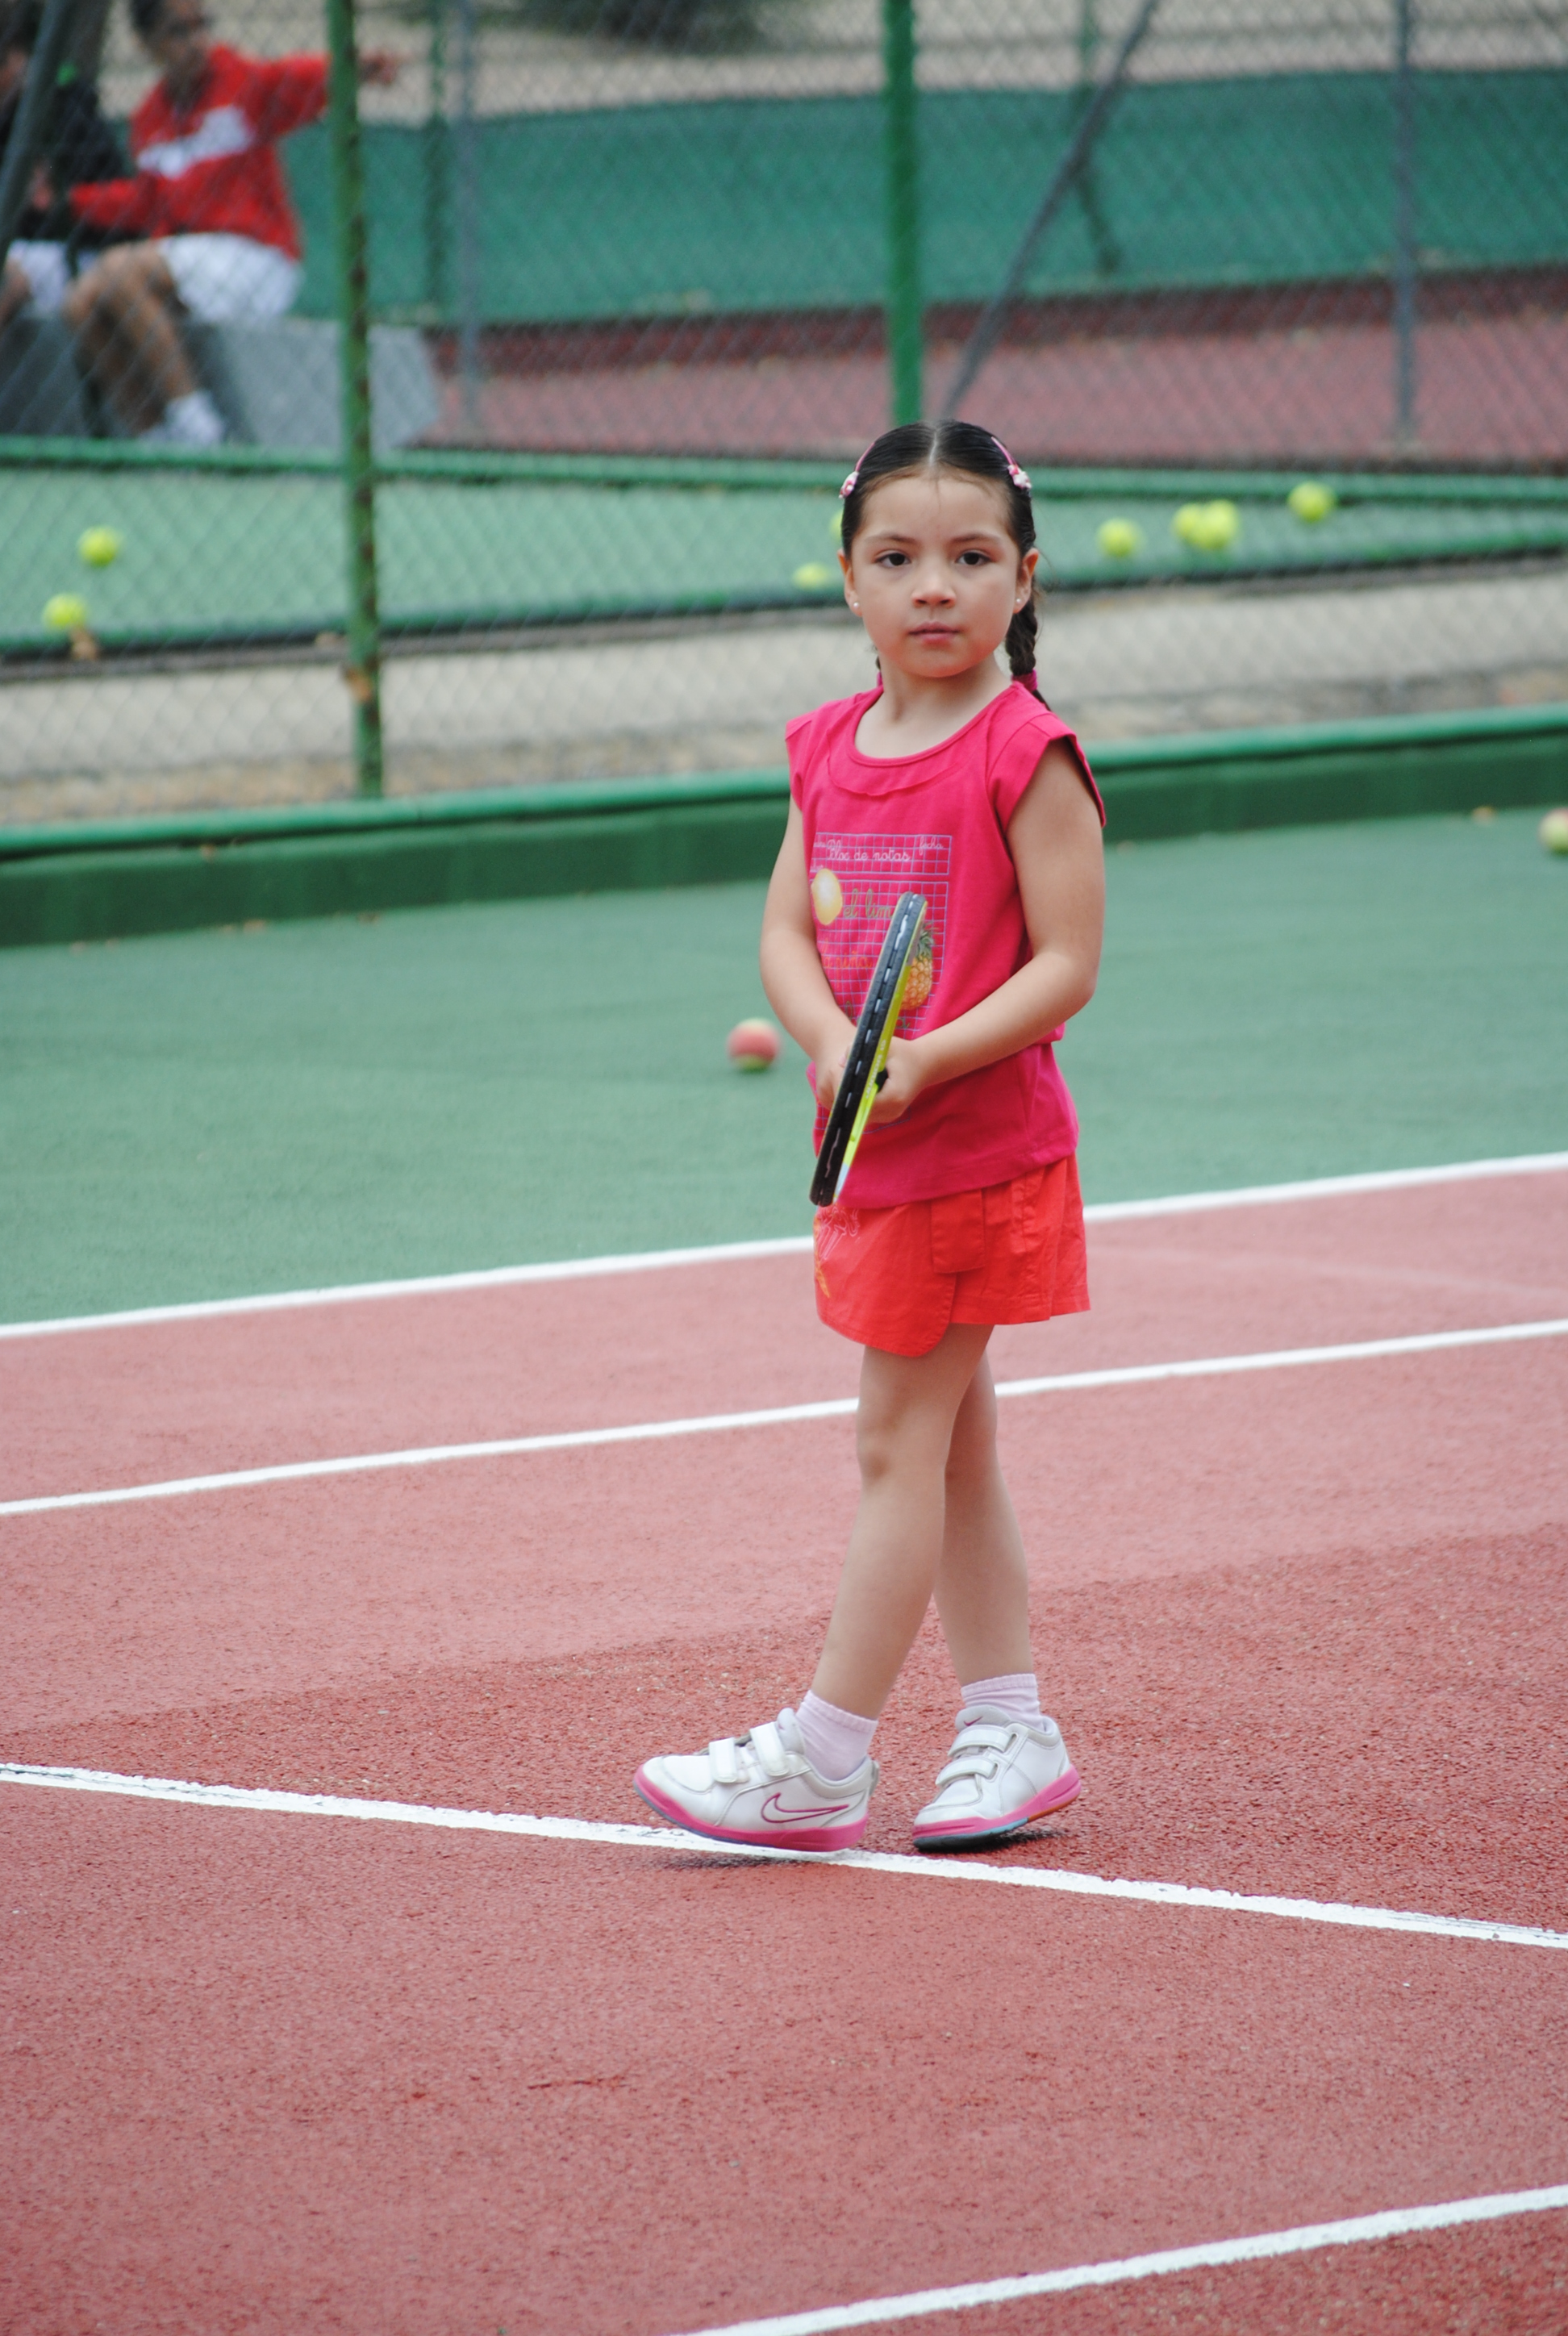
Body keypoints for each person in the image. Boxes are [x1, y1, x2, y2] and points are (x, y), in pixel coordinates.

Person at [635, 420, 1107, 1855]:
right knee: (950, 1449)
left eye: (970, 557)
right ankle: (1011, 1730)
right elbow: (786, 933)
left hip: (977, 1159)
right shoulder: (827, 748)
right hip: (879, 1154)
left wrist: (928, 1058)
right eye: (895, 558)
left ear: (1023, 578)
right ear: (848, 579)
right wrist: (835, 1043)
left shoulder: (1025, 752)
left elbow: (1066, 964)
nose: (933, 586)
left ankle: (823, 1758)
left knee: (895, 1440)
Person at [57, 0, 399, 443]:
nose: (197, 42)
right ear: (146, 45)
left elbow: (295, 78)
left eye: (202, 26)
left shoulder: (241, 82)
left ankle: (200, 430)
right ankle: (156, 441)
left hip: (255, 259)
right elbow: (146, 202)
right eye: (178, 32)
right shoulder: (150, 119)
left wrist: (357, 66)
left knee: (119, 272)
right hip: (185, 262)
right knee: (80, 302)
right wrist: (68, 202)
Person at [0, 0, 127, 336]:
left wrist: (58, 202)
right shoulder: (7, 120)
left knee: (9, 274)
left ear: (20, 59)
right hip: (26, 252)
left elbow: (107, 203)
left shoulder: (68, 108)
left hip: (77, 253)